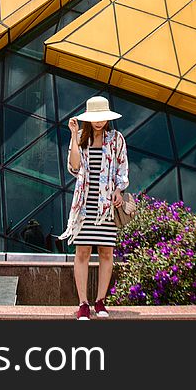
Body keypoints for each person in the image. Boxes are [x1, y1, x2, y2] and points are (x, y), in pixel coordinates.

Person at [58, 96, 129, 320]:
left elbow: (122, 169)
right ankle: (83, 304)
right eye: (95, 118)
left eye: (102, 118)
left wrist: (119, 190)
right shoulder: (80, 137)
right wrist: (72, 134)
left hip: (107, 207)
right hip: (84, 206)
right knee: (83, 252)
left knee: (106, 252)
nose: (99, 122)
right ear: (89, 119)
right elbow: (74, 167)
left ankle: (100, 302)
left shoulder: (116, 139)